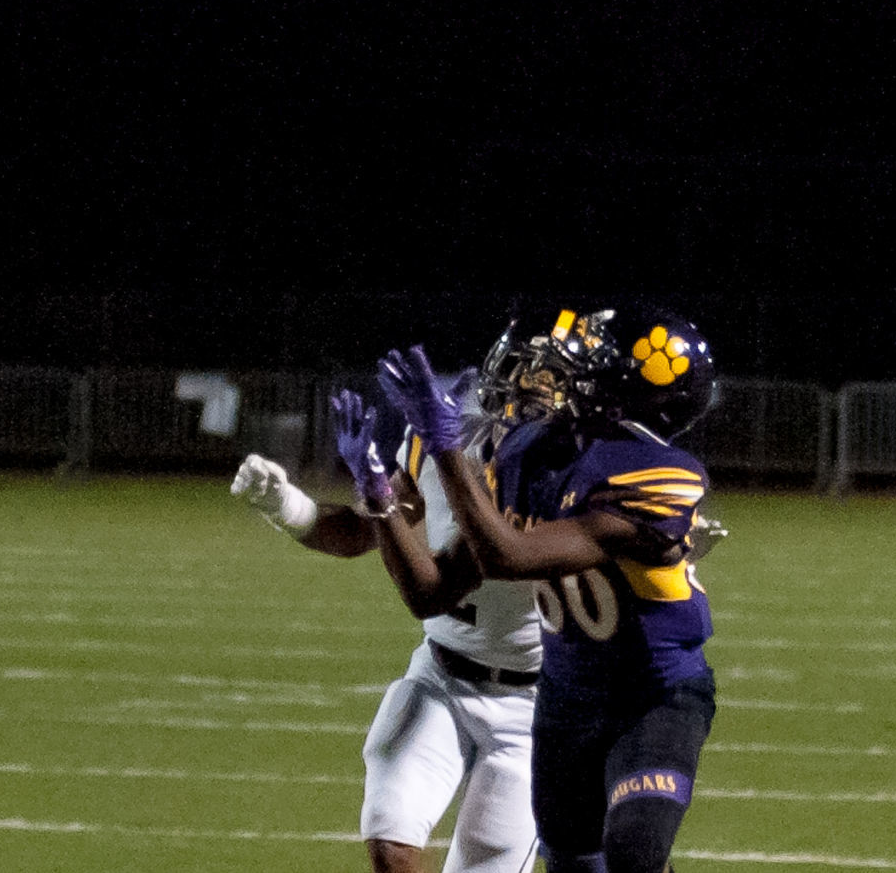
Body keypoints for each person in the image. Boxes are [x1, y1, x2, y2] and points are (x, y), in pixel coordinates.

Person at [376, 307, 727, 873]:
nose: (564, 367)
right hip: (564, 700)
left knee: (635, 854)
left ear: (631, 385)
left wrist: (445, 448)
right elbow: (433, 592)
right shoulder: (529, 451)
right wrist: (378, 495)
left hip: (651, 696)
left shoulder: (659, 474)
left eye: (594, 357)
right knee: (575, 865)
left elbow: (507, 556)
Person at [229, 371, 541, 873]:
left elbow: (439, 584)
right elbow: (362, 531)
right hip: (442, 674)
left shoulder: (564, 469)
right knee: (391, 841)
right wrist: (287, 505)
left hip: (532, 707)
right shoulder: (443, 435)